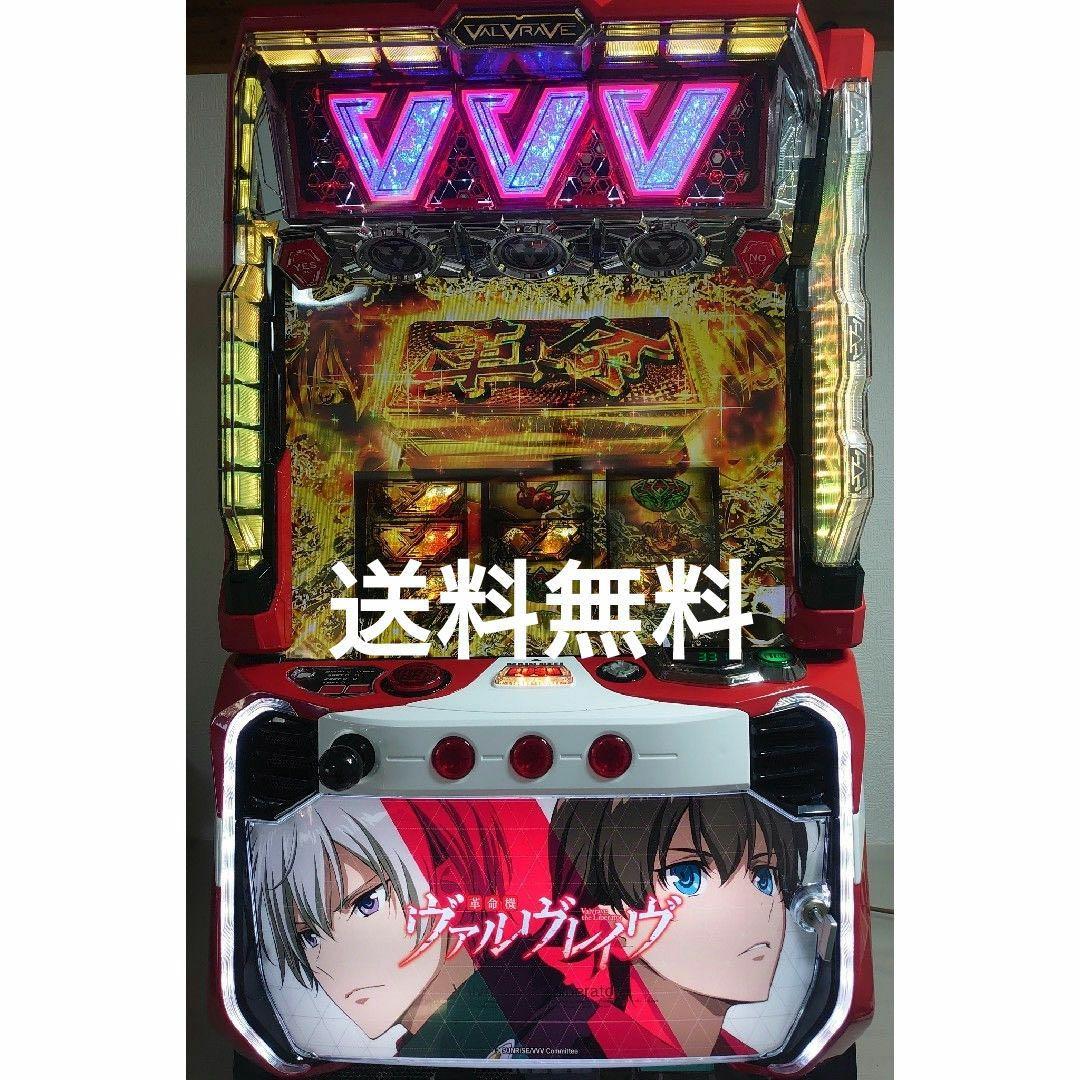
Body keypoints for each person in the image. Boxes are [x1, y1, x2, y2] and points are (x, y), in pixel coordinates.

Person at [549, 794, 808, 1058]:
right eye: (687, 877)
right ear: (607, 917)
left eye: (764, 877)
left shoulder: (748, 1056)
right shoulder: (581, 1047)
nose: (752, 907)